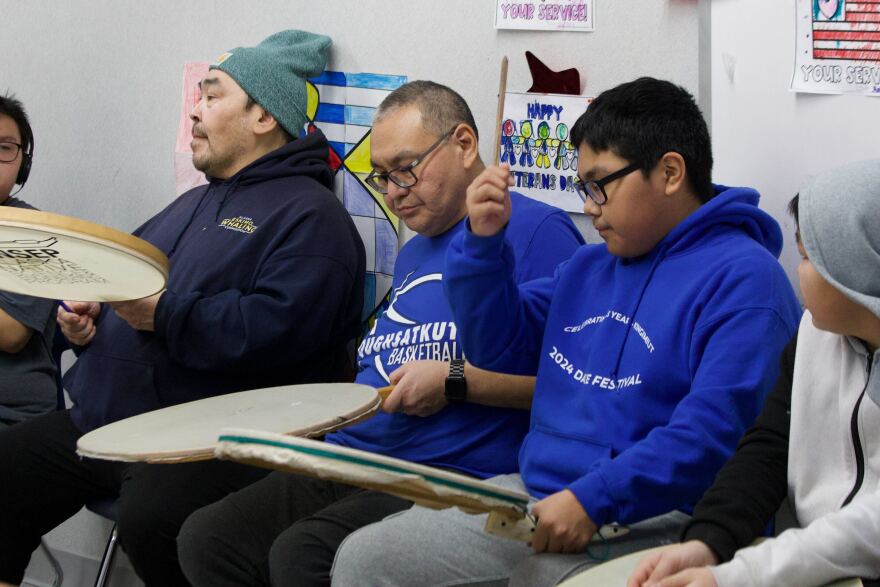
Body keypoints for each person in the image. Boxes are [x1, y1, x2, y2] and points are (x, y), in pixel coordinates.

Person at [330, 77, 803, 587]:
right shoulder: (589, 267)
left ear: (669, 172)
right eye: (583, 188)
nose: (590, 206)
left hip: (660, 510)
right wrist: (483, 247)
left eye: (600, 185)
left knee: (541, 576)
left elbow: (716, 433)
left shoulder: (747, 281)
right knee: (366, 559)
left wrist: (595, 496)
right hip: (536, 493)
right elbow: (499, 348)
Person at [176, 80, 585, 587]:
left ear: (463, 145)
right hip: (352, 452)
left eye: (406, 170)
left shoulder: (537, 232)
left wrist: (456, 380)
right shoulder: (416, 248)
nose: (393, 192)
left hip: (441, 470)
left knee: (302, 556)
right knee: (208, 538)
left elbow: (575, 392)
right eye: (383, 176)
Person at [0, 30, 366, 587]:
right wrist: (84, 322)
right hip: (109, 422)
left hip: (204, 443)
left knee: (158, 519)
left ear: (264, 116)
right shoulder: (193, 201)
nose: (194, 112)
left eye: (213, 96)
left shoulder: (313, 218)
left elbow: (277, 331)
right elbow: (119, 282)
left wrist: (166, 315)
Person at [628, 159, 880, 587]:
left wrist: (737, 576)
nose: (796, 270)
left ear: (852, 267)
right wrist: (708, 541)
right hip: (812, 565)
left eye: (805, 257)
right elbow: (769, 446)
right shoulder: (815, 335)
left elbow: (870, 526)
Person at [0, 93, 57, 426]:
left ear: (24, 164)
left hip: (11, 417)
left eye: (4, 148)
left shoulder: (34, 233)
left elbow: (10, 333)